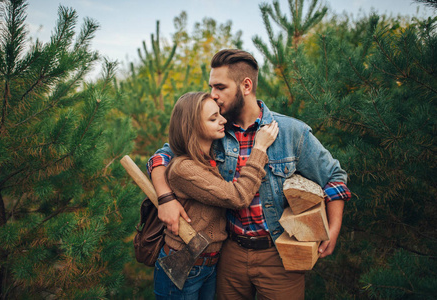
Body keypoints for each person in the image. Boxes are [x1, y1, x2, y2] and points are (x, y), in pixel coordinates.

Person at [147, 49, 351, 300]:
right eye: (211, 86)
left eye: (220, 87)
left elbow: (334, 177)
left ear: (246, 85)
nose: (213, 95)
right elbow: (163, 157)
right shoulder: (212, 128)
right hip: (228, 255)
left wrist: (334, 228)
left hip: (277, 254)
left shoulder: (290, 131)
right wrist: (165, 198)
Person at [153, 91, 279, 299]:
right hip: (184, 265)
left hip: (209, 265)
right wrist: (260, 148)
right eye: (213, 118)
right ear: (192, 126)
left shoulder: (208, 157)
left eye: (219, 114)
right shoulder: (185, 168)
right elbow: (238, 197)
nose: (223, 120)